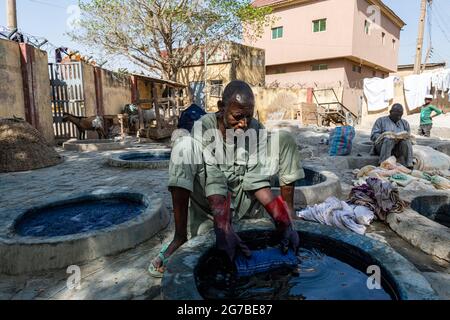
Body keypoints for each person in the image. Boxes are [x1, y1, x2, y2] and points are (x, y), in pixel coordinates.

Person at [148, 80, 305, 277]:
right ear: (221, 108)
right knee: (184, 147)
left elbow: (257, 182)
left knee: (284, 139)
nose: (244, 124)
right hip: (210, 206)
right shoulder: (203, 127)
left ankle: (289, 215)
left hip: (243, 202)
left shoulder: (255, 129)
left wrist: (282, 221)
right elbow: (214, 179)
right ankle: (180, 237)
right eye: (238, 117)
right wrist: (222, 226)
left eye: (249, 116)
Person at [370, 103, 414, 169]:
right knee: (389, 139)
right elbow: (373, 136)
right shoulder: (381, 120)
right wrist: (384, 136)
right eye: (396, 115)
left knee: (406, 141)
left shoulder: (405, 123)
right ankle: (383, 164)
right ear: (390, 112)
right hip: (382, 148)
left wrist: (402, 137)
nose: (398, 117)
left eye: (400, 115)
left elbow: (408, 136)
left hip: (397, 150)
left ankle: (409, 164)